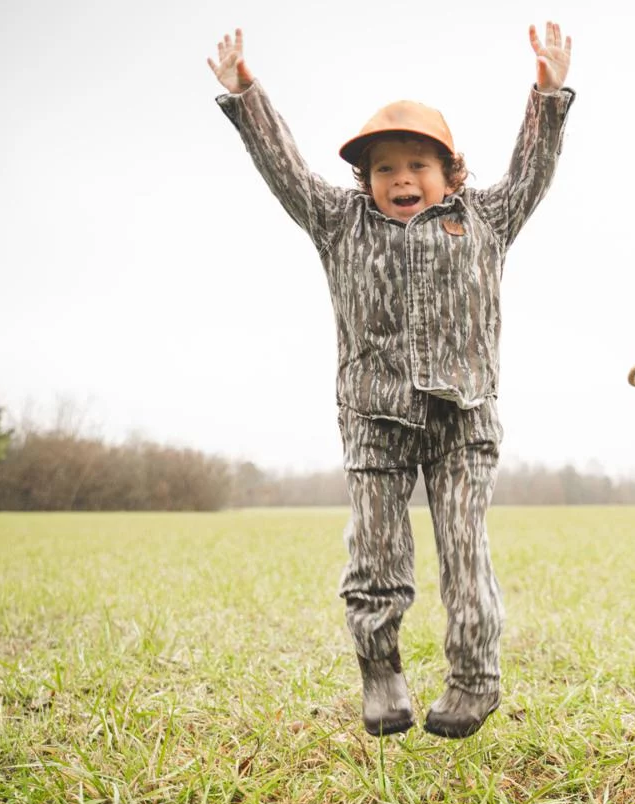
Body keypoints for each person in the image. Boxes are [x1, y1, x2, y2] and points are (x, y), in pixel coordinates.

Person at [207, 23, 574, 738]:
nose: (401, 180)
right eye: (383, 169)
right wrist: (247, 95)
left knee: (464, 552)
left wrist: (548, 94)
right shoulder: (339, 222)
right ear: (364, 181)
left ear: (450, 172)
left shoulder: (485, 218)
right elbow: (284, 168)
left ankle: (474, 678)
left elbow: (533, 169)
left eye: (417, 165)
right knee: (375, 554)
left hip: (463, 419)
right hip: (374, 419)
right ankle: (381, 673)